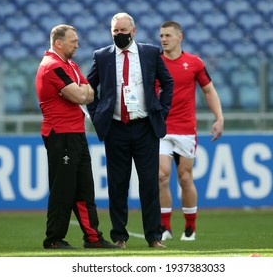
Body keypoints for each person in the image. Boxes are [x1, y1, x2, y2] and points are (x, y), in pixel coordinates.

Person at [86, 13, 173, 248]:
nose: (119, 35)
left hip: (145, 127)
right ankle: (119, 237)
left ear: (133, 31)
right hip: (116, 129)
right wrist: (97, 115)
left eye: (123, 31)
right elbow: (88, 87)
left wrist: (160, 111)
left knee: (149, 184)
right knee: (117, 184)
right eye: (115, 31)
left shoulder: (150, 53)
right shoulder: (102, 56)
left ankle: (154, 237)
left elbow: (168, 83)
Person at [36, 24, 118, 249]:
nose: (78, 44)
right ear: (59, 43)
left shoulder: (69, 64)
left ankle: (93, 238)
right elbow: (81, 95)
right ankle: (53, 239)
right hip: (60, 135)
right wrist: (82, 92)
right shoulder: (52, 66)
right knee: (63, 189)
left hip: (75, 133)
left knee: (84, 189)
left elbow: (89, 91)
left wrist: (82, 92)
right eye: (73, 41)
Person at [158, 21, 224, 241]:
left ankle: (190, 227)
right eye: (161, 35)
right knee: (161, 175)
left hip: (186, 128)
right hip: (161, 127)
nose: (164, 39)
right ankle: (165, 227)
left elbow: (208, 90)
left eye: (168, 35)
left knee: (185, 178)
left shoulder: (194, 63)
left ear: (179, 37)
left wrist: (219, 118)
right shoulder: (154, 62)